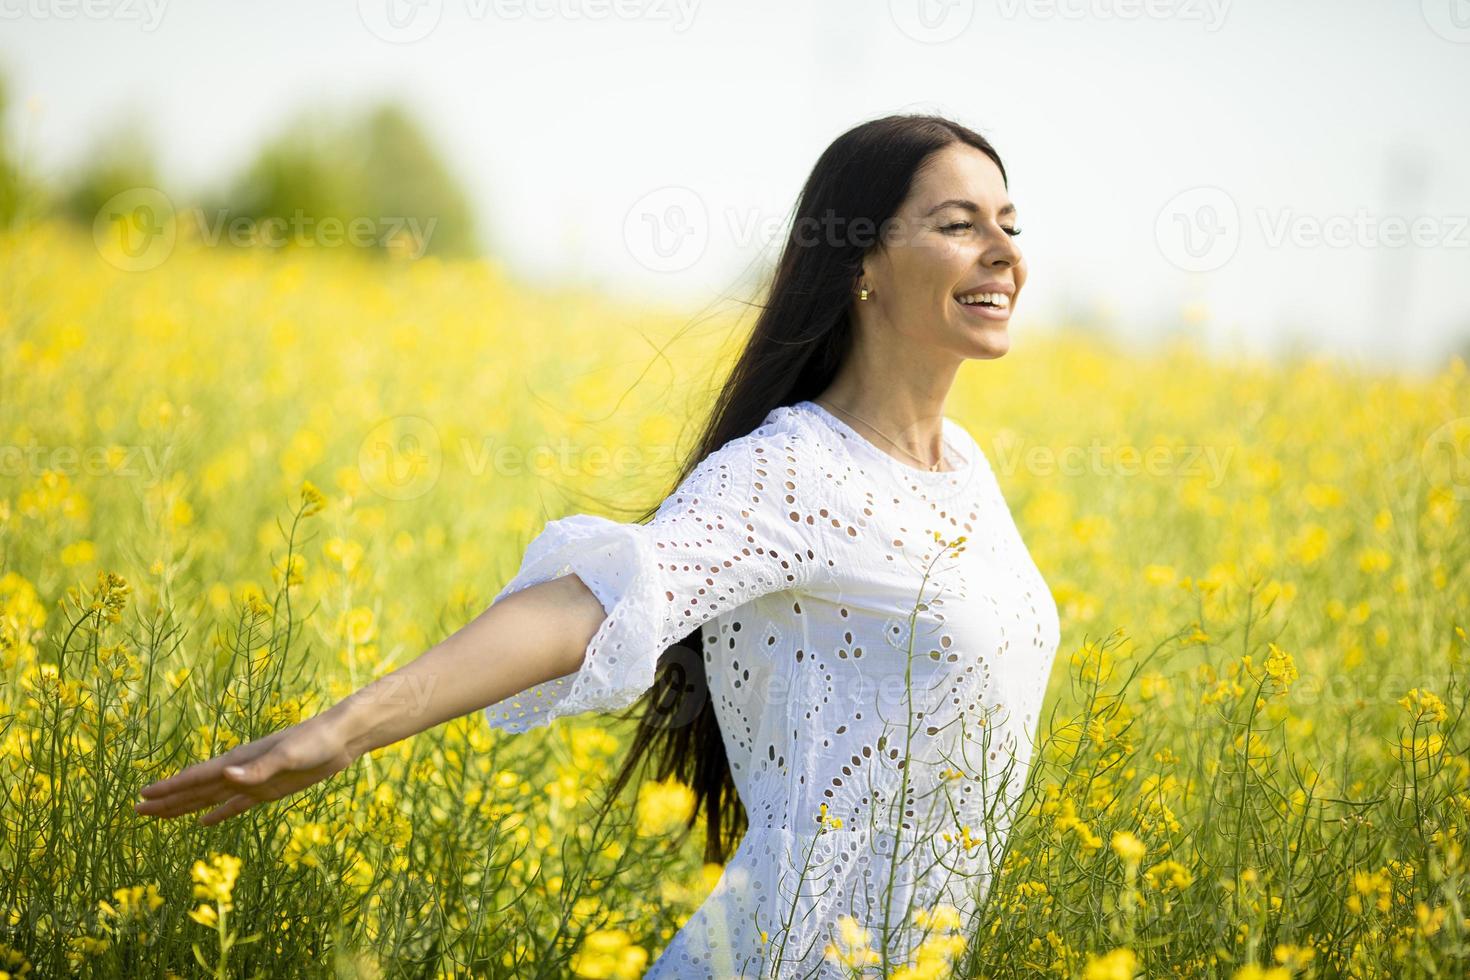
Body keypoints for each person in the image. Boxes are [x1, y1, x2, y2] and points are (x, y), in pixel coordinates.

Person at [135, 112, 1061, 978]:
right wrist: (347, 728)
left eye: (1009, 224)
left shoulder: (965, 470)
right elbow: (596, 603)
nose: (1003, 252)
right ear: (863, 260)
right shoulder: (797, 470)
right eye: (958, 224)